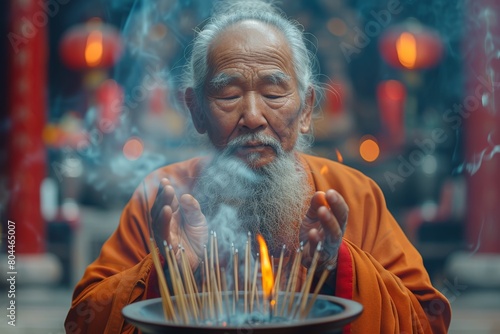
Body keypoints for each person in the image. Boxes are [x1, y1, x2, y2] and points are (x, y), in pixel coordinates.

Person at [65, 0, 451, 333]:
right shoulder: (163, 197)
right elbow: (83, 322)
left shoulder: (353, 194)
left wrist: (339, 265)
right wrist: (163, 271)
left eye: (273, 92)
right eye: (228, 93)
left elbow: (426, 322)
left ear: (305, 109)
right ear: (196, 110)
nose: (252, 116)